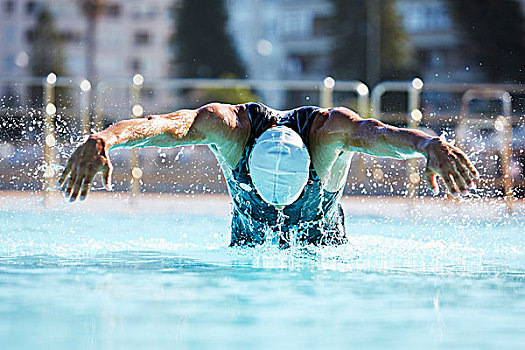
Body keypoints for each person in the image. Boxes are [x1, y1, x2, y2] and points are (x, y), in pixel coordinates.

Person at [58, 102, 478, 247]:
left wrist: (427, 144)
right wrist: (106, 138)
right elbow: (165, 126)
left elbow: (377, 135)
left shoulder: (327, 134)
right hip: (245, 254)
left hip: (325, 253)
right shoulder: (227, 129)